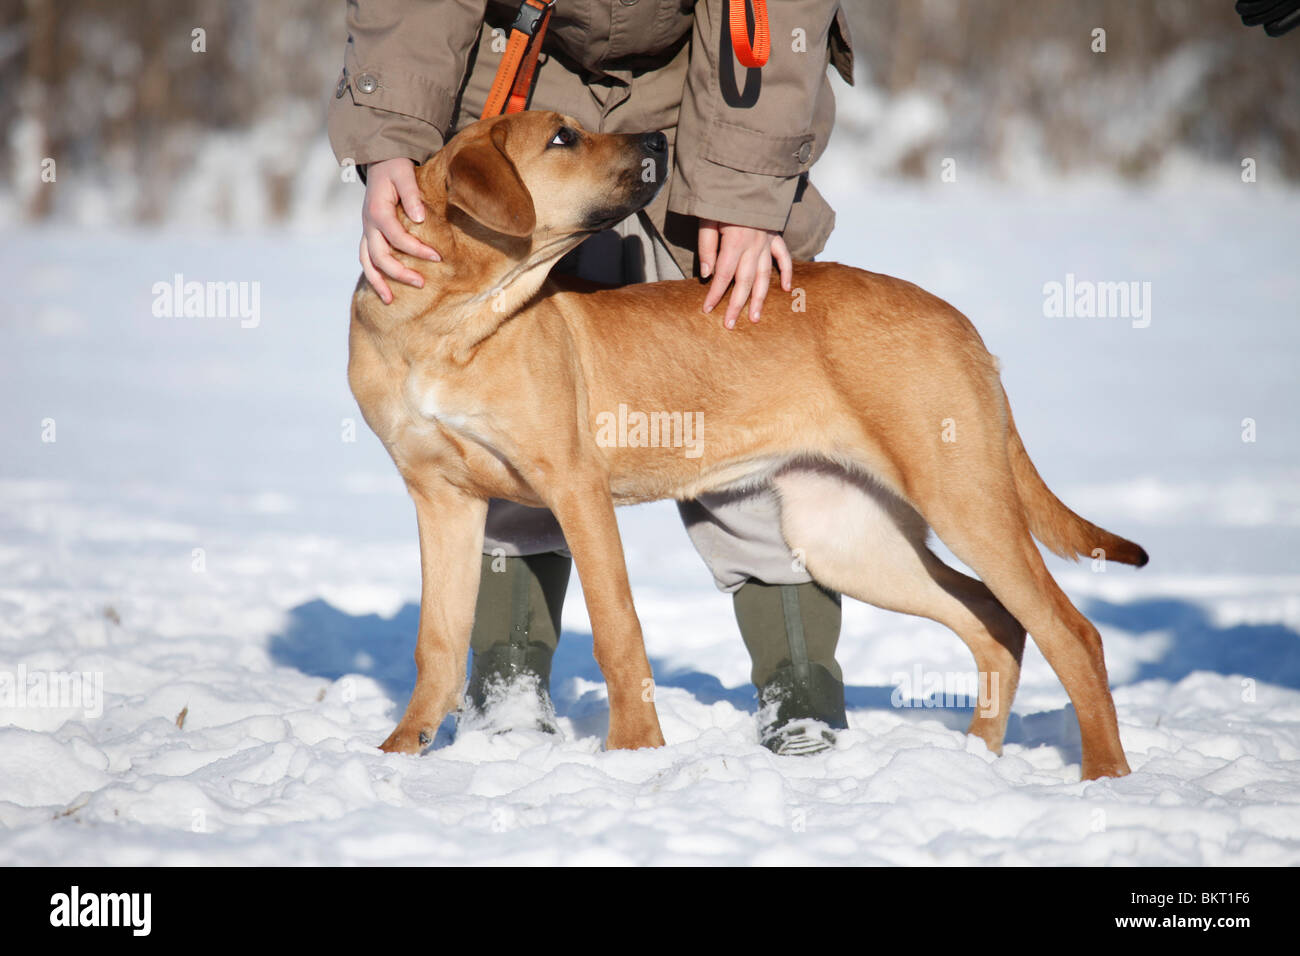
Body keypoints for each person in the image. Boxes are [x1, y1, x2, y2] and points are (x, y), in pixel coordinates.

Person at [328, 0, 856, 754]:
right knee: (506, 407)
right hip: (516, 60)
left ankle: (797, 671)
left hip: (716, 86)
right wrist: (387, 139)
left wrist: (746, 188)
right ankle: (505, 670)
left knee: (745, 363)